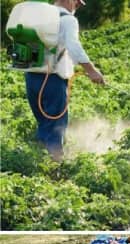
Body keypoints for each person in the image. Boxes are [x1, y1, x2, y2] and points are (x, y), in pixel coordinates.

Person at [25, 0, 105, 160]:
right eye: (77, 3)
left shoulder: (40, 16)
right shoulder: (68, 20)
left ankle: (38, 161)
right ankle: (56, 169)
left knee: (44, 124)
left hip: (31, 76)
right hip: (52, 80)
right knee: (55, 127)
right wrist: (91, 70)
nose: (77, 7)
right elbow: (74, 46)